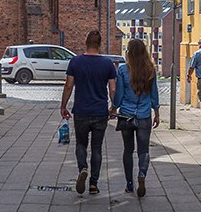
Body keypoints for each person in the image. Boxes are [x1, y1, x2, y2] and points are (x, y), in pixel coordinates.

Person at [60, 29, 117, 195]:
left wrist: (63, 106)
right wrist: (114, 107)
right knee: (97, 148)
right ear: (100, 44)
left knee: (81, 144)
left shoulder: (75, 62)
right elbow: (112, 89)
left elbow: (69, 85)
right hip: (100, 112)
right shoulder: (107, 64)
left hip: (81, 111)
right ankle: (93, 184)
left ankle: (82, 168)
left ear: (86, 42)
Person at [112, 39, 159, 197]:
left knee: (128, 150)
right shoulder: (150, 69)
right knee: (143, 150)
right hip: (144, 115)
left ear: (129, 52)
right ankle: (142, 174)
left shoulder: (124, 70)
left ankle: (129, 184)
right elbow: (154, 95)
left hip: (126, 115)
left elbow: (119, 95)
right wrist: (157, 112)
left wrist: (113, 108)